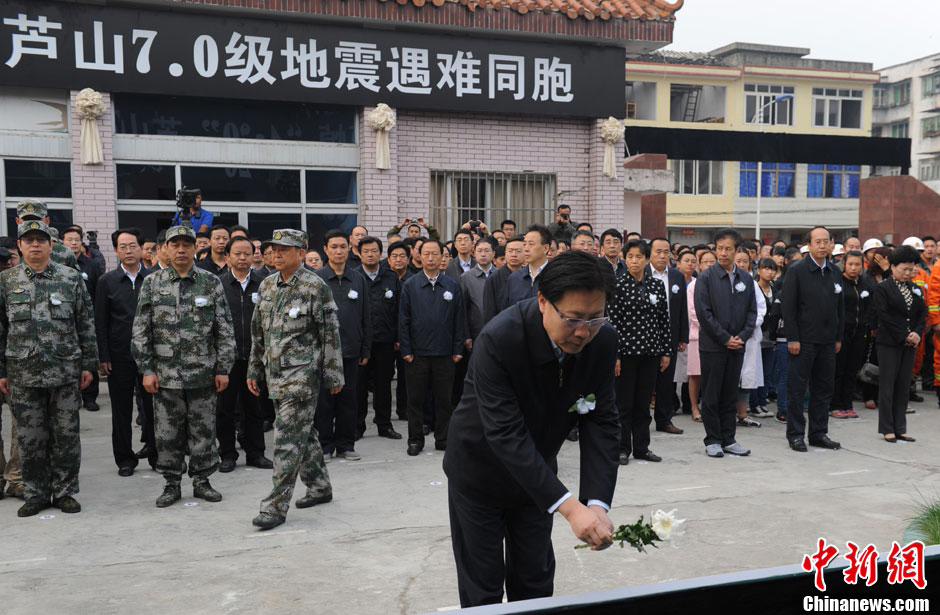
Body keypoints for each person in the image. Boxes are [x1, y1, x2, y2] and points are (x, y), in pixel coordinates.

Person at [444, 251, 618, 607]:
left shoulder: (601, 340)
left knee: (535, 581)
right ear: (543, 301)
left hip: (537, 478)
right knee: (483, 587)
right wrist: (571, 509)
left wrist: (596, 503)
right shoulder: (500, 338)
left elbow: (601, 419)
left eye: (595, 317)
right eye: (572, 319)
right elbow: (505, 433)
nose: (583, 331)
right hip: (480, 473)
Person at [132, 225, 235, 508]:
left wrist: (223, 368)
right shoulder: (153, 283)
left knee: (203, 431)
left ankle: (202, 480)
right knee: (168, 433)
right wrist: (147, 370)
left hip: (203, 373)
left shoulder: (210, 282)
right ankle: (171, 483)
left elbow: (224, 329)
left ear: (194, 249)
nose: (180, 250)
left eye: (185, 245)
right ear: (164, 248)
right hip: (165, 376)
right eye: (174, 244)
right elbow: (141, 330)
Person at [247, 229, 343, 531]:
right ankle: (319, 486)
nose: (275, 255)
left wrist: (333, 374)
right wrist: (254, 369)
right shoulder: (266, 286)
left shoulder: (316, 287)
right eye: (273, 249)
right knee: (305, 432)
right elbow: (257, 332)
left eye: (283, 250)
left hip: (302, 377)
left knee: (286, 439)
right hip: (274, 375)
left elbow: (330, 333)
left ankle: (275, 506)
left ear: (301, 253)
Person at [0, 220, 96, 517]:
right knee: (30, 439)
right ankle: (36, 492)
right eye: (29, 240)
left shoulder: (70, 278)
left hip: (65, 372)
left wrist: (89, 364)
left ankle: (65, 491)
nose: (36, 245)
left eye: (41, 240)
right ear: (20, 246)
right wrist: (2, 371)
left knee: (66, 436)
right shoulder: (6, 282)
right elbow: (1, 330)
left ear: (52, 245)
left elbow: (85, 322)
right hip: (23, 374)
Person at [96, 227, 156, 476]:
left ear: (142, 248)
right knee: (121, 410)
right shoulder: (106, 281)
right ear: (116, 251)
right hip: (119, 355)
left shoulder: (154, 278)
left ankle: (156, 454)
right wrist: (104, 356)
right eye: (123, 247)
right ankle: (125, 459)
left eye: (133, 245)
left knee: (153, 408)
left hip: (151, 356)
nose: (129, 251)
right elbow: (100, 321)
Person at [399, 239, 467, 456]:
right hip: (417, 354)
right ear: (418, 257)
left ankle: (443, 438)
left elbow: (460, 320)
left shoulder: (453, 286)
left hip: (445, 353)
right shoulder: (410, 285)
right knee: (416, 400)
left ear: (442, 257)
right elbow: (403, 320)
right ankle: (415, 439)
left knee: (444, 400)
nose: (430, 258)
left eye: (434, 254)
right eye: (426, 254)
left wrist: (458, 349)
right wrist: (407, 351)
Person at [694, 229, 757, 458]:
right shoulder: (706, 278)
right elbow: (704, 313)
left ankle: (729, 438)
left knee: (730, 393)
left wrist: (742, 335)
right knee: (711, 394)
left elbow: (752, 311)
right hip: (713, 346)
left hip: (737, 345)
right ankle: (712, 439)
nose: (723, 253)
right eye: (719, 248)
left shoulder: (746, 279)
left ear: (736, 250)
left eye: (728, 248)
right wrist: (725, 338)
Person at [609, 239, 671, 465]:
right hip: (626, 355)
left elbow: (663, 320)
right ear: (625, 259)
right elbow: (612, 324)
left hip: (651, 353)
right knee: (624, 404)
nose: (634, 261)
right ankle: (622, 448)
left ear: (646, 260)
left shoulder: (655, 285)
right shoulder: (617, 284)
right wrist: (614, 355)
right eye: (630, 256)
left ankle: (642, 448)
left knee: (643, 404)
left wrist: (665, 351)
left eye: (639, 257)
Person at [783, 226, 844, 453]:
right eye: (817, 241)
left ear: (831, 244)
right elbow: (788, 308)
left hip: (828, 341)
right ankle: (796, 435)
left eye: (825, 241)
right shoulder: (797, 270)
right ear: (808, 245)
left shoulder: (835, 272)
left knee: (823, 389)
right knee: (798, 389)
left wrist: (838, 337)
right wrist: (793, 338)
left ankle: (819, 433)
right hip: (803, 340)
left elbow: (841, 308)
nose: (821, 245)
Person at [315, 230, 372, 461]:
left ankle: (346, 445)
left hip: (351, 351)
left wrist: (365, 348)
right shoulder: (317, 279)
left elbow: (366, 316)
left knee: (349, 400)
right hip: (324, 353)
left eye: (342, 247)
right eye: (334, 247)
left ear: (349, 249)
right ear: (326, 250)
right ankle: (326, 445)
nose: (339, 251)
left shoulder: (358, 278)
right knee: (325, 402)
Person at [218, 236, 272, 472]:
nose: (242, 258)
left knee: (255, 407)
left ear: (254, 256)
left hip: (255, 357)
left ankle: (256, 453)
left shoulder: (264, 284)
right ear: (227, 256)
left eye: (247, 254)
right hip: (226, 359)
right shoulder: (217, 285)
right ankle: (227, 455)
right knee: (225, 409)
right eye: (237, 254)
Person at [873, 246, 926, 443]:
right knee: (888, 385)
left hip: (910, 344)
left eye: (911, 269)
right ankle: (887, 428)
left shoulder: (916, 289)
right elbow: (884, 316)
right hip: (889, 343)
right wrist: (904, 335)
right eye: (904, 269)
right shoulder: (883, 288)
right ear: (893, 267)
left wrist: (917, 333)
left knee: (904, 385)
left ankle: (900, 427)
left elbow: (922, 314)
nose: (907, 273)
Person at [355, 236, 402, 440]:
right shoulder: (354, 277)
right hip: (360, 343)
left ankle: (384, 424)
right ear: (359, 253)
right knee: (359, 386)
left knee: (384, 385)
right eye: (366, 251)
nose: (370, 254)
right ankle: (357, 426)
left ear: (380, 253)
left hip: (385, 341)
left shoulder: (390, 277)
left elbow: (400, 310)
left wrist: (399, 337)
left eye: (374, 250)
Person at [649, 237, 688, 436]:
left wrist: (683, 337)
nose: (663, 255)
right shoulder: (642, 273)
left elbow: (682, 309)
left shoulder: (676, 277)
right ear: (650, 253)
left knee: (666, 381)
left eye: (666, 252)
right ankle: (640, 421)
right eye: (658, 251)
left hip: (669, 337)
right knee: (645, 381)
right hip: (645, 336)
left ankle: (664, 420)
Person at [830, 251, 873, 419]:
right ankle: (835, 405)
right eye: (851, 264)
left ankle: (847, 404)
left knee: (852, 370)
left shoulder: (864, 283)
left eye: (858, 265)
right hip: (841, 333)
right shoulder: (838, 283)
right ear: (844, 265)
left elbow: (871, 305)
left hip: (859, 333)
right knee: (838, 370)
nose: (854, 268)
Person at [455, 237, 496, 405]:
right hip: (475, 334)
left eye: (487, 251)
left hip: (496, 334)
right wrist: (466, 336)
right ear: (474, 253)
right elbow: (462, 310)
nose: (483, 254)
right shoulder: (466, 278)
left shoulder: (500, 275)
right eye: (480, 251)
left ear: (494, 254)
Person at [734, 250, 766, 429]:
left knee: (746, 379)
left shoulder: (752, 284)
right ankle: (727, 413)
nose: (741, 264)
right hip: (730, 337)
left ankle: (743, 414)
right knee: (730, 378)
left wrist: (749, 327)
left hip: (750, 336)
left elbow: (760, 309)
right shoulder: (723, 281)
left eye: (745, 261)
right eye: (738, 260)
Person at [686, 250, 717, 422]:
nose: (709, 265)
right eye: (706, 262)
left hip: (718, 337)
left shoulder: (721, 283)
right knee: (696, 374)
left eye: (713, 261)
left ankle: (710, 407)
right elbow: (693, 313)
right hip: (698, 335)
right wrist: (713, 328)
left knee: (712, 375)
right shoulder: (693, 286)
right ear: (699, 265)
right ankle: (694, 407)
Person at [750, 258, 779, 419]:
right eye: (766, 268)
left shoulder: (775, 289)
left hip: (771, 336)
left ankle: (762, 402)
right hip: (757, 334)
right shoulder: (754, 288)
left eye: (772, 269)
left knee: (767, 372)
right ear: (759, 270)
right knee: (755, 371)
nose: (770, 272)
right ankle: (754, 404)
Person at [14, 200, 77, 270]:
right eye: (27, 219)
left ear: (47, 221)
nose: (32, 224)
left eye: (37, 219)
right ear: (17, 221)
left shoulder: (64, 253)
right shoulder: (9, 250)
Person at [481, 237, 525, 325]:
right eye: (510, 251)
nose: (514, 254)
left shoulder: (529, 275)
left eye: (518, 251)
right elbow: (489, 311)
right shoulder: (494, 278)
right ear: (505, 253)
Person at [506, 225, 551, 307]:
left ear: (545, 248)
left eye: (531, 244)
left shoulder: (555, 277)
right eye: (524, 244)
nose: (526, 249)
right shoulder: (514, 278)